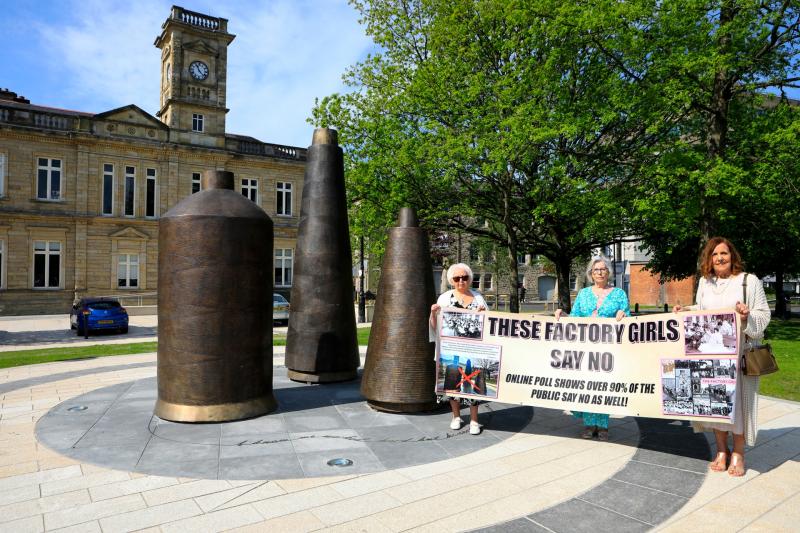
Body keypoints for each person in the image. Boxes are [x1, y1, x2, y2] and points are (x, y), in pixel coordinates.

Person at [673, 237, 770, 477]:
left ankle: (738, 453)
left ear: (732, 256)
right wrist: (685, 311)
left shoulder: (749, 281)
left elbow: (763, 314)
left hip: (739, 355)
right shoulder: (705, 283)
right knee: (715, 404)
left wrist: (746, 316)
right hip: (710, 354)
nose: (719, 258)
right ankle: (721, 451)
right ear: (709, 260)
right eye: (715, 255)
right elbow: (702, 310)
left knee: (737, 404)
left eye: (724, 253)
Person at [555, 255, 630, 441]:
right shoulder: (583, 294)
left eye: (603, 269)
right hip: (586, 347)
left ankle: (603, 425)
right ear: (591, 273)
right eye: (596, 270)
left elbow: (628, 318)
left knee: (604, 384)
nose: (600, 272)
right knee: (588, 384)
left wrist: (623, 314)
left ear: (609, 272)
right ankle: (589, 424)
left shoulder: (619, 293)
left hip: (608, 347)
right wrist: (562, 314)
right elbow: (575, 317)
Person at [429, 263, 488, 435]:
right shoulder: (444, 299)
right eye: (457, 278)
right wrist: (433, 313)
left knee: (475, 383)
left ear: (469, 279)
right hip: (451, 348)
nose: (461, 281)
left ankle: (475, 420)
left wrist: (484, 314)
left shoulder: (478, 298)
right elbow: (435, 326)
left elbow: (488, 325)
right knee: (453, 381)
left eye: (464, 277)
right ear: (451, 281)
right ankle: (456, 416)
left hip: (474, 349)